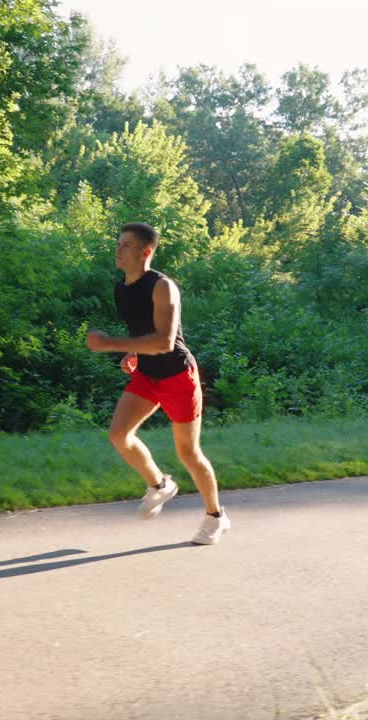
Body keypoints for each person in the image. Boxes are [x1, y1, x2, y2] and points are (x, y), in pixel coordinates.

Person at [85, 222, 229, 545]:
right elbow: (142, 328)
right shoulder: (121, 289)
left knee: (189, 453)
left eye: (126, 246)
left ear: (145, 252)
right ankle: (160, 484)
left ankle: (216, 517)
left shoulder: (163, 287)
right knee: (119, 434)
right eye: (119, 244)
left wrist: (110, 344)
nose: (118, 250)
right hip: (148, 375)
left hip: (178, 376)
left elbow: (165, 341)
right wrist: (133, 351)